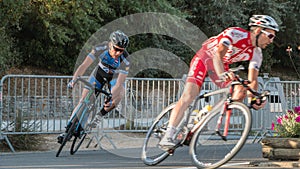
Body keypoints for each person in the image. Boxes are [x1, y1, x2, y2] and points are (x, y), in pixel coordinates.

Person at [159, 15, 279, 149]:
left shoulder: (257, 53)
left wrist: (253, 98)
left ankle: (205, 115)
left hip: (221, 66)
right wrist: (222, 74)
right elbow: (218, 55)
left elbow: (253, 80)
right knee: (189, 95)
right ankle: (168, 134)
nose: (271, 41)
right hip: (204, 59)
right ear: (258, 31)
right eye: (270, 36)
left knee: (239, 91)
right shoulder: (235, 33)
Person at [57, 30, 130, 143]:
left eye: (121, 50)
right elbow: (84, 65)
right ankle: (67, 130)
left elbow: (119, 83)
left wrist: (111, 96)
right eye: (116, 49)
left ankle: (99, 116)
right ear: (110, 44)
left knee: (117, 98)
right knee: (83, 100)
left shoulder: (125, 59)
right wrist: (74, 80)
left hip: (114, 78)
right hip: (99, 73)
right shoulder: (100, 48)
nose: (118, 53)